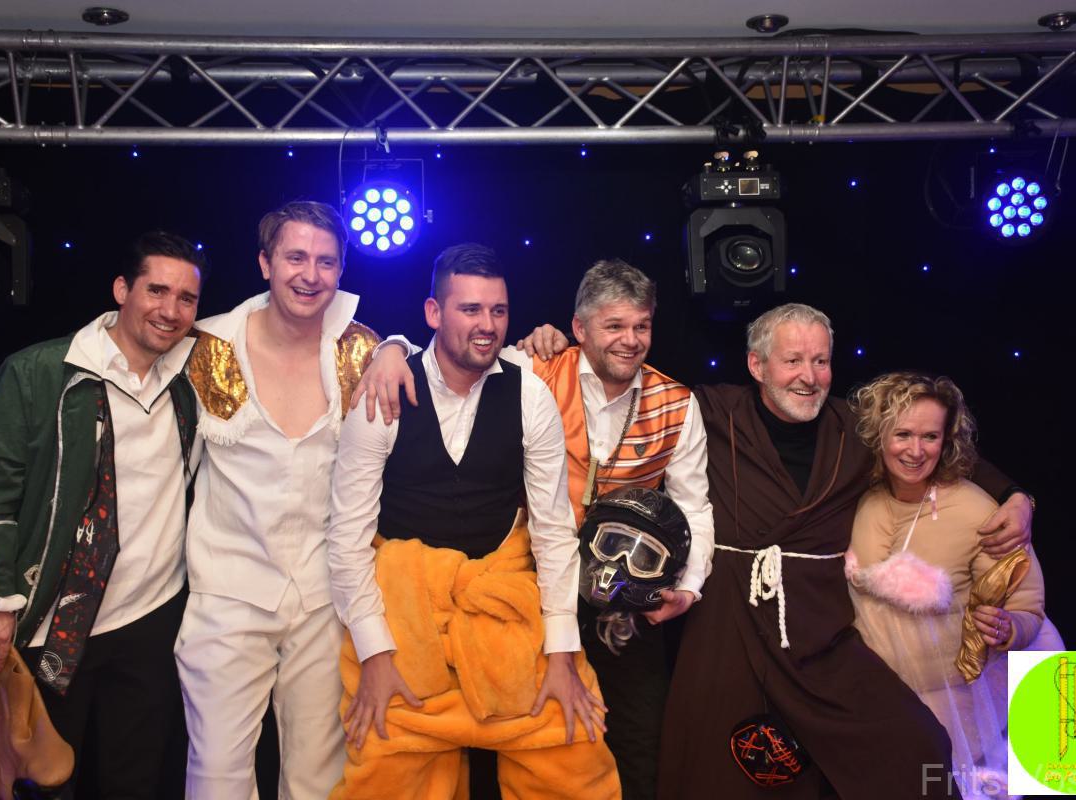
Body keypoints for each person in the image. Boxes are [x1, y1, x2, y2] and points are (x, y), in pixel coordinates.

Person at [359, 258, 713, 800]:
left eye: (641, 326)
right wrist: (388, 348)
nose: (631, 339)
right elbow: (451, 350)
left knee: (634, 739)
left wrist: (688, 586)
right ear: (579, 328)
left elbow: (694, 506)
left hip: (624, 596)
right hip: (531, 587)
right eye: (615, 326)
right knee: (501, 738)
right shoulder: (533, 368)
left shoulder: (677, 403)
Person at [658, 303, 1035, 799]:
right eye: (793, 360)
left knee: (916, 744)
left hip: (819, 629)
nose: (809, 376)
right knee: (717, 769)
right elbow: (632, 387)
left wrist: (1015, 495)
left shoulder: (854, 426)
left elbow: (934, 447)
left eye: (821, 361)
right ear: (757, 365)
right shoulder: (710, 410)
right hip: (728, 618)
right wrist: (557, 348)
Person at [326, 243, 620, 799]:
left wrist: (563, 652)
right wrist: (374, 654)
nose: (487, 325)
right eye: (470, 309)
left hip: (503, 601)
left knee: (574, 749)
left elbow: (554, 532)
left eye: (498, 310)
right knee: (390, 775)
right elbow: (347, 538)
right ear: (434, 312)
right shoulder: (385, 389)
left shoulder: (530, 395)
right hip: (406, 610)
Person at [0, 231, 206, 798]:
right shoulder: (41, 372)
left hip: (150, 618)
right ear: (122, 289)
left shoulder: (191, 381)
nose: (170, 311)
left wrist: (392, 345)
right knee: (41, 779)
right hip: (53, 619)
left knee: (133, 780)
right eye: (156, 290)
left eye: (186, 298)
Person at [176, 201, 381, 799]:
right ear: (265, 263)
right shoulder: (205, 346)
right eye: (295, 257)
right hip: (227, 592)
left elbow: (446, 365)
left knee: (319, 777)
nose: (310, 275)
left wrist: (395, 345)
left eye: (326, 261)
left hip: (323, 596)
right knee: (216, 777)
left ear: (340, 270)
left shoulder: (363, 350)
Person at [845, 372, 1045, 798]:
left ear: (946, 439)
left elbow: (1028, 605)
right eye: (903, 434)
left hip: (958, 710)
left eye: (930, 436)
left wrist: (1008, 627)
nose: (916, 450)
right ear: (878, 435)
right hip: (879, 706)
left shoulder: (977, 508)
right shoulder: (857, 497)